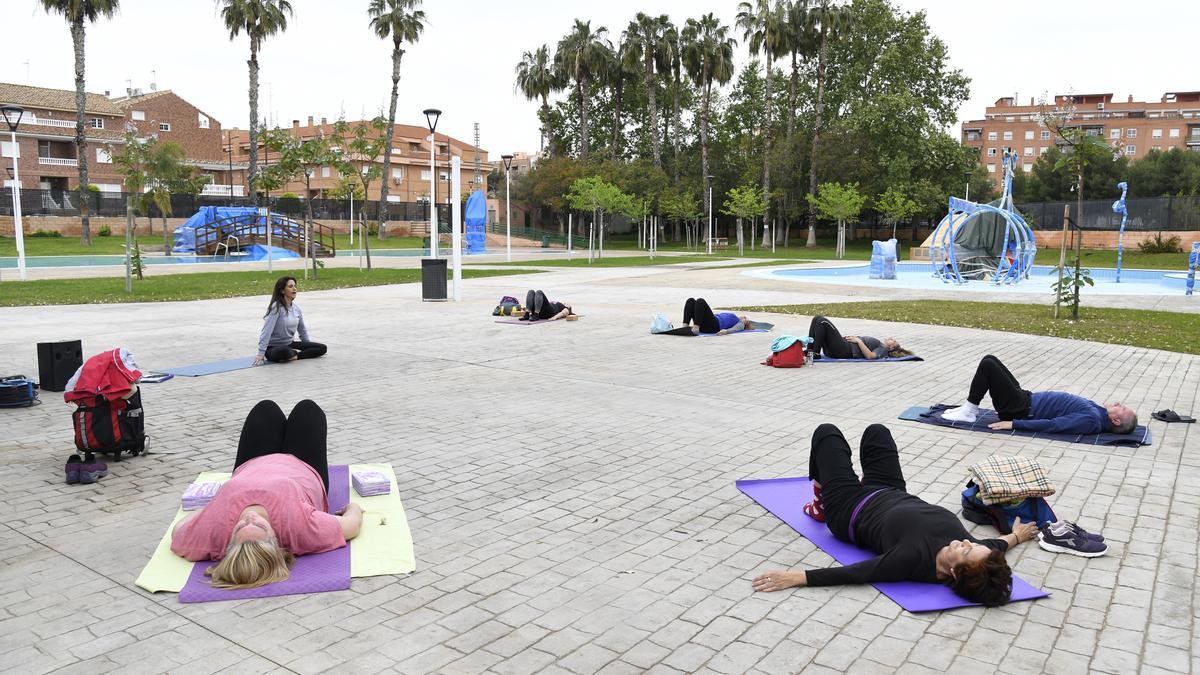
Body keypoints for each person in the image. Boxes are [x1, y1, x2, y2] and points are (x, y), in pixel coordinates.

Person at [752, 423, 1039, 606]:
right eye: (973, 544)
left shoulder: (910, 559)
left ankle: (820, 501)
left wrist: (795, 577)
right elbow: (997, 545)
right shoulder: (978, 555)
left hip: (849, 507)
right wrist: (1017, 535)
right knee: (878, 432)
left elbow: (856, 573)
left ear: (953, 572)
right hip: (889, 490)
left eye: (966, 551)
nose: (968, 542)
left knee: (827, 433)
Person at [170, 400, 363, 590]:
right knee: (308, 410)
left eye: (241, 527)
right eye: (259, 525)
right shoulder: (297, 528)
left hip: (252, 461)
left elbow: (178, 532)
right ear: (277, 541)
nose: (249, 518)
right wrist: (352, 508)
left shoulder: (216, 531)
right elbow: (352, 526)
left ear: (230, 541)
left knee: (266, 409)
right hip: (304, 464)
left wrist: (207, 512)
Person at [941, 355, 1138, 435]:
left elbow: (1054, 426)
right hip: (1025, 399)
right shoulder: (1098, 415)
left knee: (988, 364)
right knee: (991, 360)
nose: (1119, 403)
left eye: (1121, 408)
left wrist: (1014, 424)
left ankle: (969, 410)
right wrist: (1105, 409)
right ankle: (968, 408)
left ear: (1116, 421)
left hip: (1018, 410)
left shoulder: (1091, 421)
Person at [254, 276, 327, 365]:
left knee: (322, 348)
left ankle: (294, 356)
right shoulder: (276, 308)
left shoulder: (296, 309)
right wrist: (261, 353)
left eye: (295, 286)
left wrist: (307, 346)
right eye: (290, 286)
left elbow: (302, 331)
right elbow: (266, 331)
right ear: (282, 291)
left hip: (289, 344)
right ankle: (290, 353)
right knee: (284, 351)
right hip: (273, 348)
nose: (294, 289)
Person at [807, 315, 908, 360]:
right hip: (840, 347)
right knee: (817, 319)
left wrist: (859, 341)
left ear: (890, 348)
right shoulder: (880, 345)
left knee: (823, 321)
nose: (892, 338)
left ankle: (815, 353)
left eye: (893, 341)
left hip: (843, 350)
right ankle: (810, 351)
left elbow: (870, 356)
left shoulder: (883, 350)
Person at [682, 297, 751, 335]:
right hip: (707, 323)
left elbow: (736, 328)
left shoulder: (739, 323)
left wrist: (726, 331)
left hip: (714, 326)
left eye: (746, 319)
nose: (744, 317)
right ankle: (685, 326)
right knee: (691, 300)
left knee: (700, 301)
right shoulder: (734, 317)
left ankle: (696, 328)